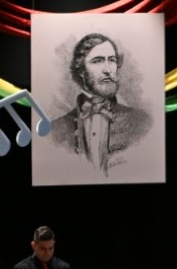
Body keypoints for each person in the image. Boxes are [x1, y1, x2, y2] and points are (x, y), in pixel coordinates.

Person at [50, 33, 151, 175]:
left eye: (112, 60)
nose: (108, 70)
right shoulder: (56, 130)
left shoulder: (141, 122)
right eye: (98, 61)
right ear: (81, 70)